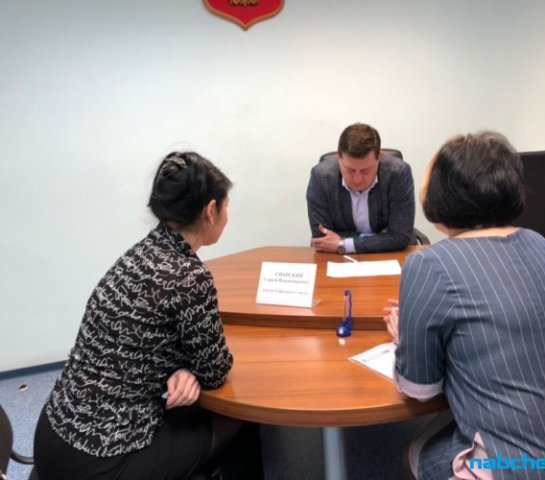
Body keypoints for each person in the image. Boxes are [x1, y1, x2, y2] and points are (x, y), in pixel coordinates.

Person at [383, 132, 545, 480]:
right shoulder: (539, 245)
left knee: (417, 453)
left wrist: (405, 335)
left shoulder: (429, 263)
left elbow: (420, 389)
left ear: (441, 193)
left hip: (529, 471)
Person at [34, 152, 263, 480]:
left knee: (187, 404)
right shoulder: (189, 276)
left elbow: (141, 339)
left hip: (52, 434)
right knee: (241, 416)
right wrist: (192, 368)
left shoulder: (138, 254)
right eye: (226, 207)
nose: (227, 216)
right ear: (211, 210)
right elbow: (214, 371)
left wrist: (183, 366)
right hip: (102, 459)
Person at [306, 122, 415, 253]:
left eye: (365, 171)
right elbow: (322, 238)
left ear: (379, 157)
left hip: (390, 256)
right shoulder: (320, 177)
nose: (357, 179)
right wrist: (382, 237)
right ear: (339, 157)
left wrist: (344, 243)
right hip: (338, 259)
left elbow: (400, 237)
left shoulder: (398, 173)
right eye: (350, 170)